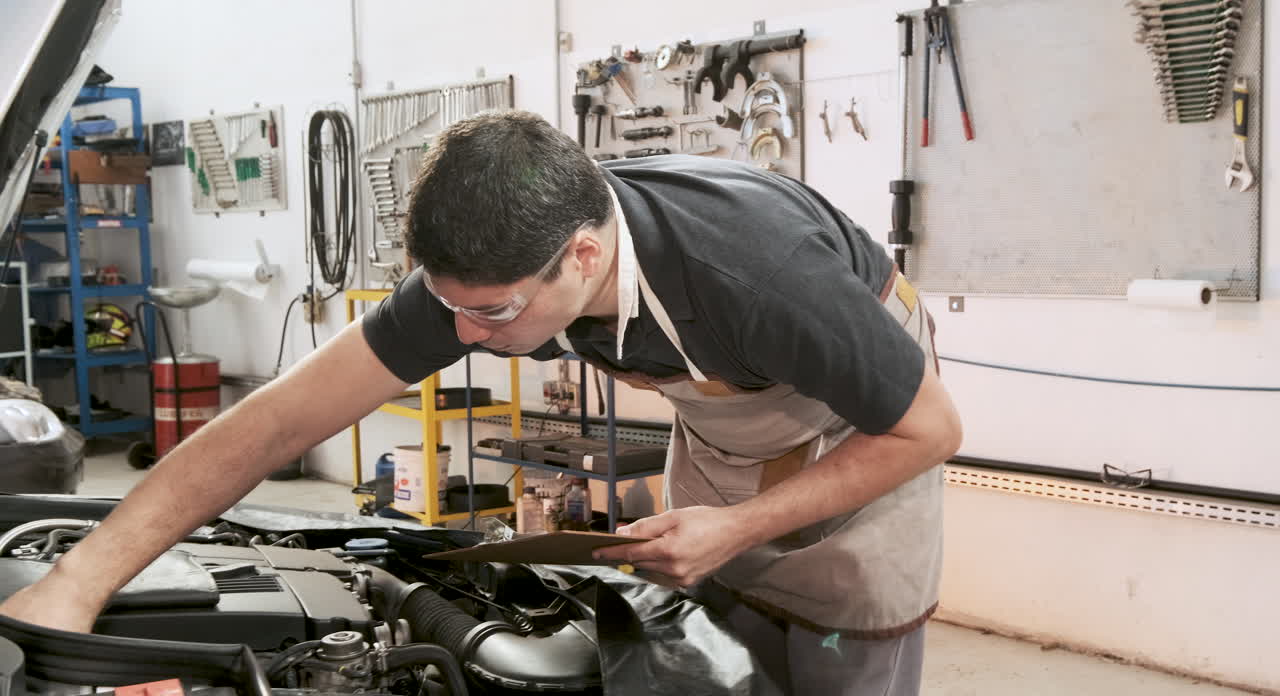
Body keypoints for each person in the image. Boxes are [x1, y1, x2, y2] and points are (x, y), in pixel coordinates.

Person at [0, 110, 961, 694]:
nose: (461, 335)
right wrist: (83, 580)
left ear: (582, 257)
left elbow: (931, 430)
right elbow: (280, 420)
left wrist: (745, 522)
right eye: (448, 308)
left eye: (490, 313)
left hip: (862, 426)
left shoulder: (758, 276)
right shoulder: (486, 282)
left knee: (846, 652)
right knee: (707, 644)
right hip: (725, 417)